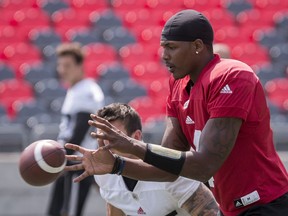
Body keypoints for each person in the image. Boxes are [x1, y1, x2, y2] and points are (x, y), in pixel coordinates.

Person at [65, 10, 288, 216]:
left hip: (266, 204)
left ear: (197, 45)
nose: (164, 55)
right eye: (163, 47)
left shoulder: (232, 75)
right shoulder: (178, 85)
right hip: (231, 208)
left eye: (171, 47)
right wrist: (117, 166)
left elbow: (204, 165)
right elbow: (168, 168)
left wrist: (130, 145)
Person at [94, 103, 219, 216]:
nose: (105, 144)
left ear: (136, 137)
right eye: (100, 137)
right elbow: (117, 204)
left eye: (113, 137)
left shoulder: (169, 168)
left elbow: (211, 212)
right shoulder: (104, 175)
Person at [47, 42, 104, 216]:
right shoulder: (75, 90)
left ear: (80, 65)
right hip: (69, 162)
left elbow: (80, 131)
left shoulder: (87, 90)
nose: (62, 70)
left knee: (68, 212)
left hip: (76, 163)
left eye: (67, 65)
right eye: (60, 65)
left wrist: (56, 154)